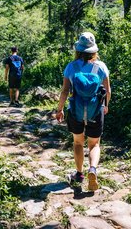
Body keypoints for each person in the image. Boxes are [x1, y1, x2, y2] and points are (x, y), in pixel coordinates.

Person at [56, 32, 111, 191]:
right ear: (94, 50)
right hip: (96, 109)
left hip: (76, 109)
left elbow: (65, 91)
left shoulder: (71, 66)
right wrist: (105, 105)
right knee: (94, 144)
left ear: (78, 49)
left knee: (78, 142)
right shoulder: (101, 66)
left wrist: (59, 110)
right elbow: (107, 90)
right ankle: (92, 170)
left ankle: (79, 174)